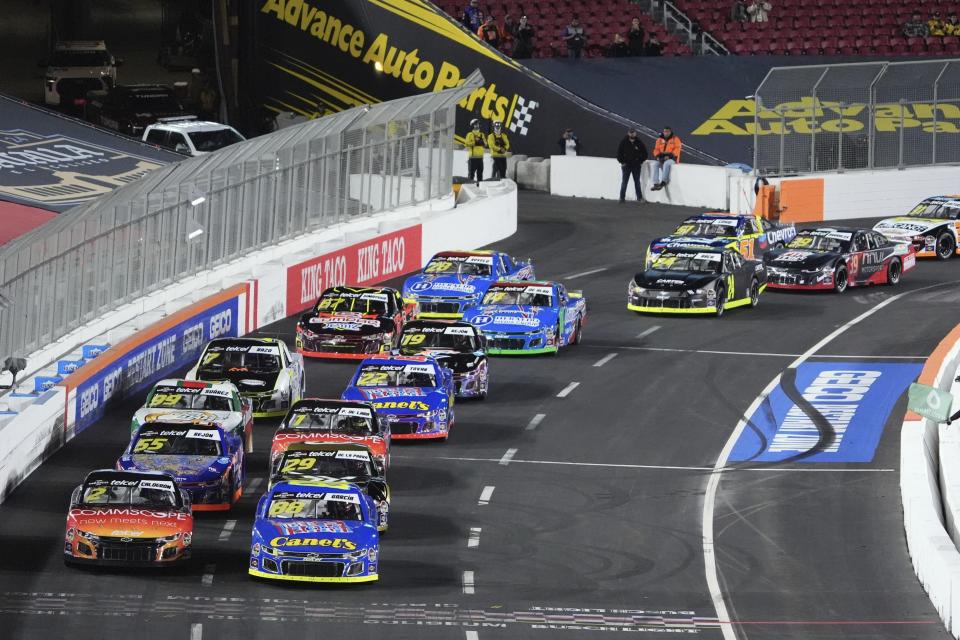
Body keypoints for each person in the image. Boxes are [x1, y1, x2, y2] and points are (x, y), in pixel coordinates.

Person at [617, 128, 646, 203]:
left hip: (636, 166)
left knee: (637, 182)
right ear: (628, 133)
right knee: (624, 182)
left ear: (635, 133)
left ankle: (639, 198)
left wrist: (640, 161)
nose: (632, 134)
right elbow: (619, 153)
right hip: (626, 166)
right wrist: (622, 162)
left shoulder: (639, 142)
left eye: (633, 133)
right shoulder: (623, 142)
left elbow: (645, 154)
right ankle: (621, 198)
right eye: (631, 133)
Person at [651, 126, 681, 191]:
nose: (666, 133)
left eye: (667, 132)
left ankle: (663, 181)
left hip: (672, 158)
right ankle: (655, 183)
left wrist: (669, 156)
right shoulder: (659, 140)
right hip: (662, 157)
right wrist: (658, 156)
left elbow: (677, 149)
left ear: (670, 132)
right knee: (655, 164)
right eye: (665, 131)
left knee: (666, 164)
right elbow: (656, 149)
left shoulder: (675, 139)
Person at [464, 119, 486, 184]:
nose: (477, 125)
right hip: (472, 158)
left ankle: (480, 188)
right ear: (472, 126)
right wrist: (475, 142)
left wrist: (481, 142)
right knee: (471, 175)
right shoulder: (470, 134)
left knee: (480, 176)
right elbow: (466, 144)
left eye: (478, 124)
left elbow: (485, 144)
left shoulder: (482, 134)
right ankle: (470, 188)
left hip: (480, 158)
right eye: (475, 124)